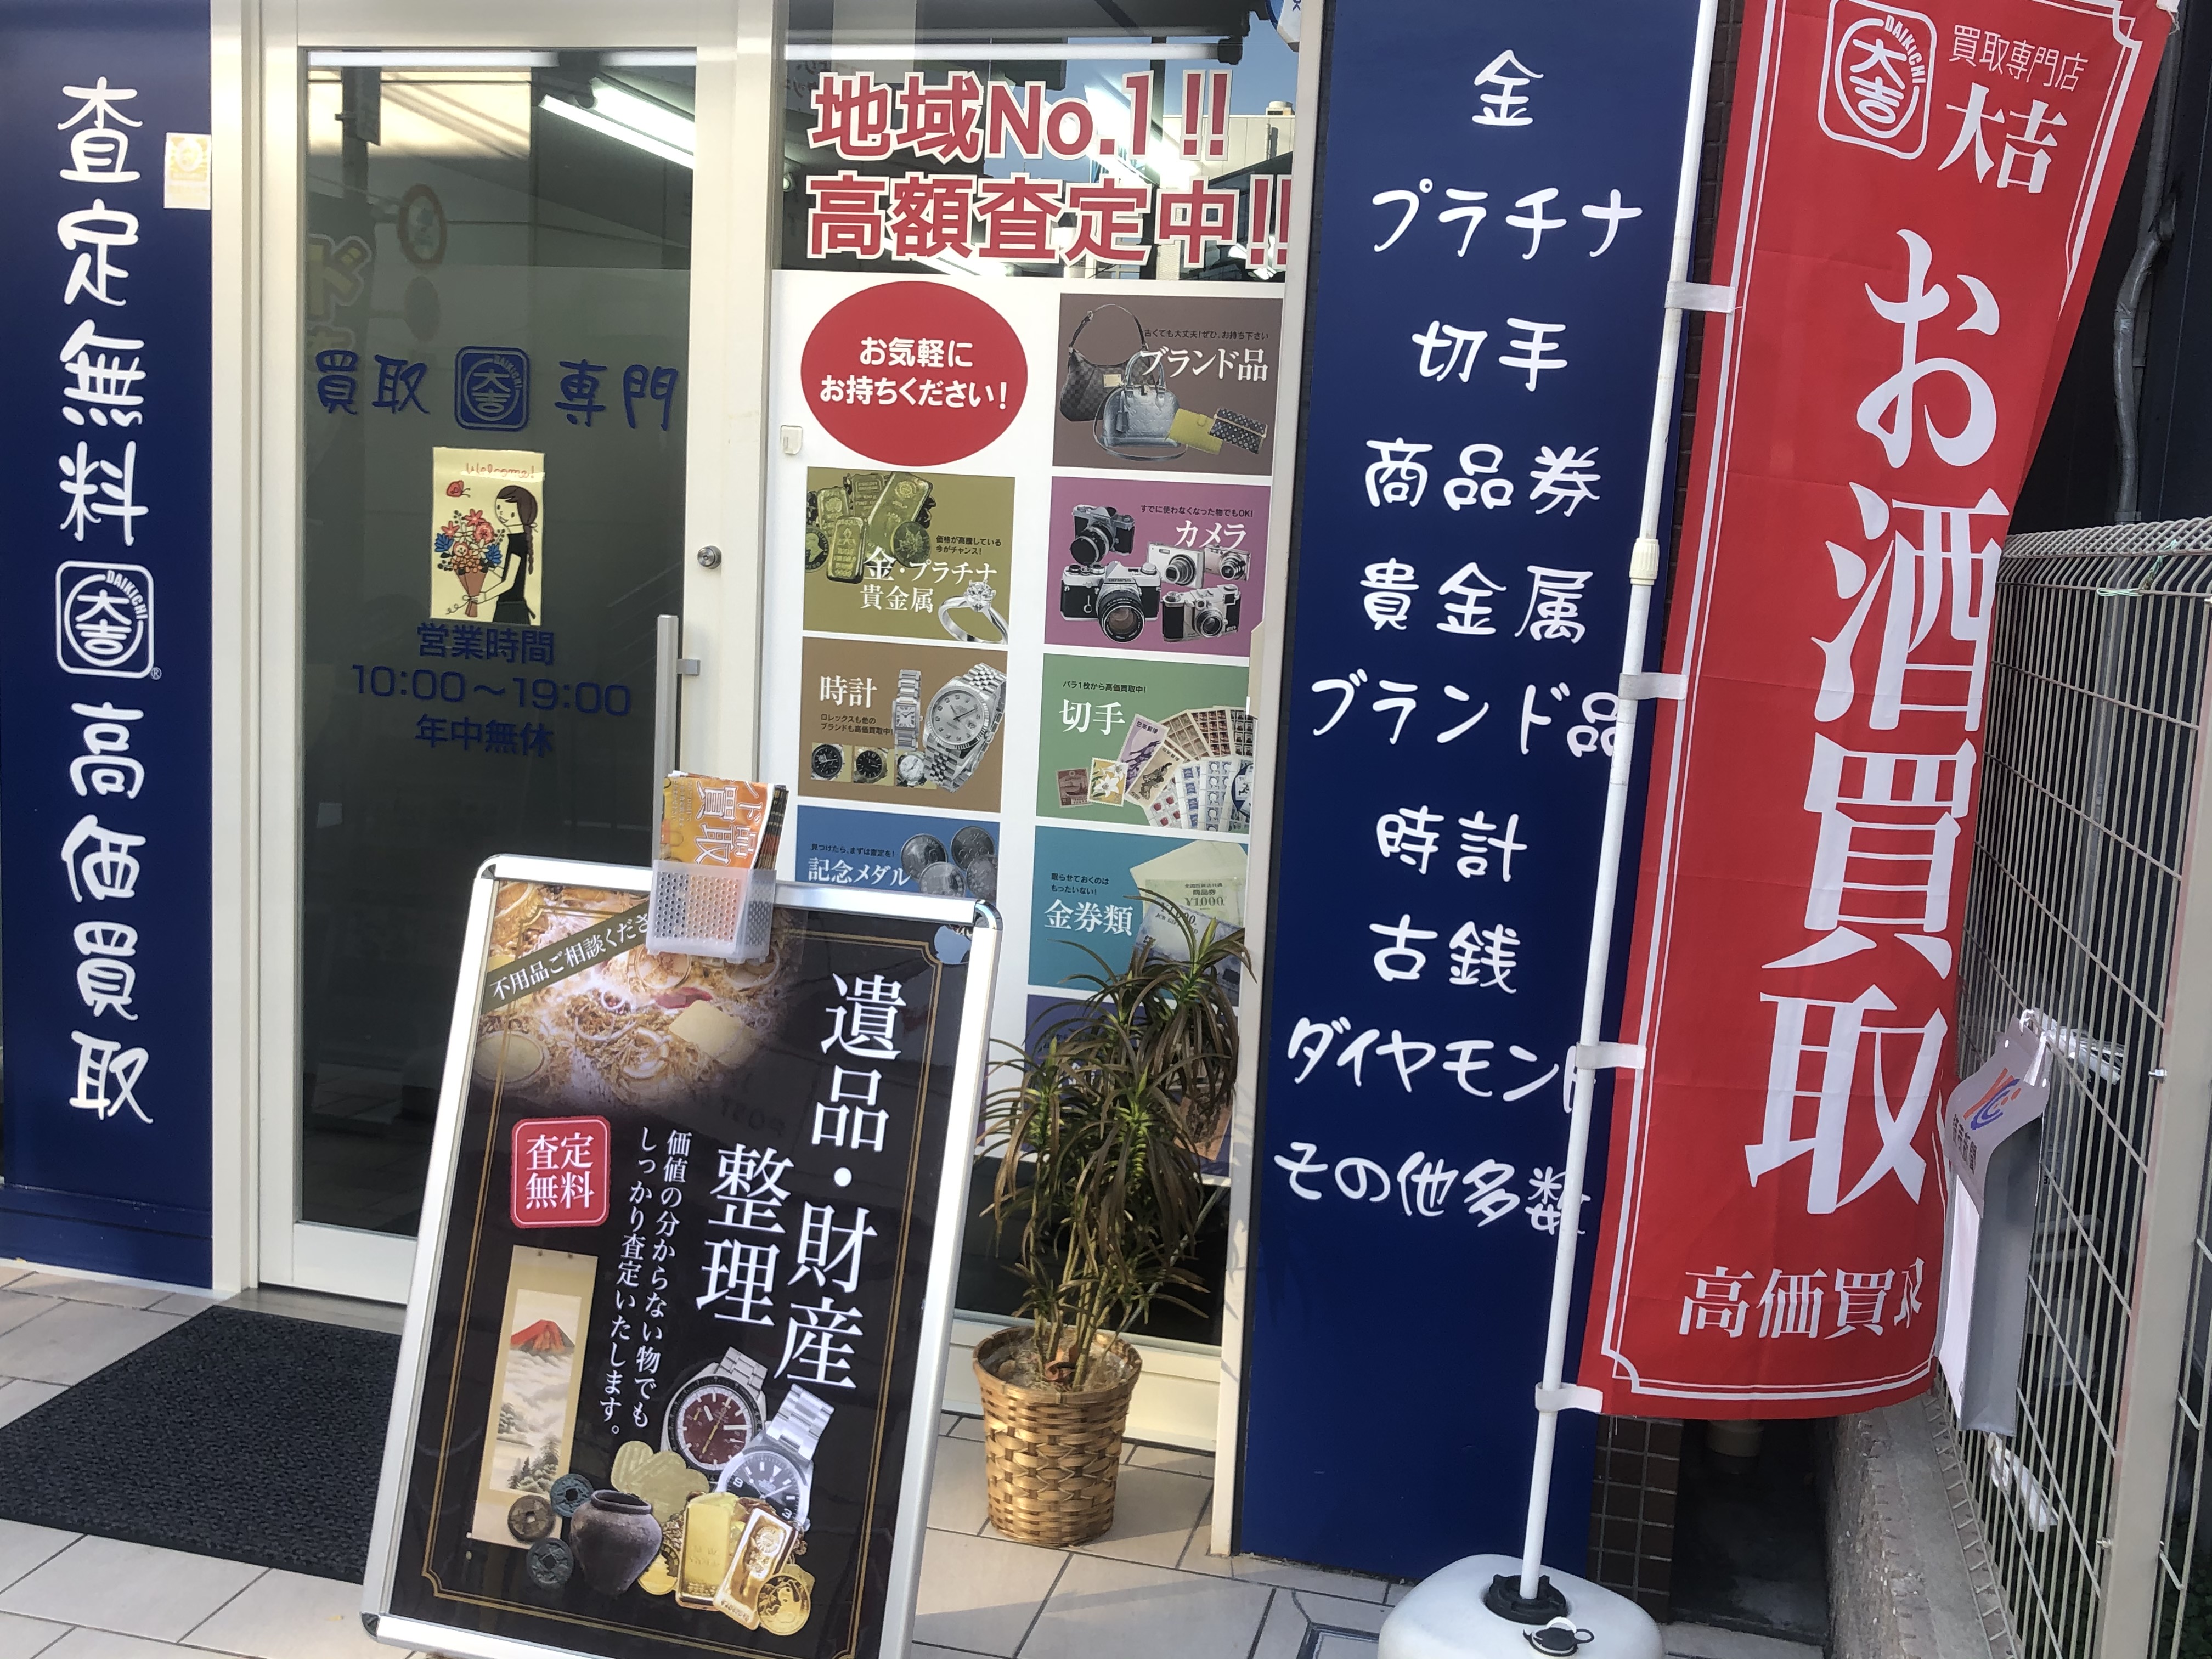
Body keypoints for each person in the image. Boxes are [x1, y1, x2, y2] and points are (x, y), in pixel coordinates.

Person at [487, 484, 539, 624]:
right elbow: (512, 573)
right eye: (499, 508)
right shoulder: (517, 539)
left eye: (511, 514)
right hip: (511, 604)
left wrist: (484, 596)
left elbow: (509, 583)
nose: (502, 515)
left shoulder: (518, 542)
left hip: (510, 606)